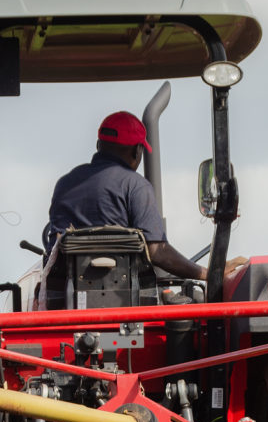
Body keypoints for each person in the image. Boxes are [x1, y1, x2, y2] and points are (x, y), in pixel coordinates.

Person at [45, 111, 247, 290]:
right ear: (137, 151)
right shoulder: (135, 185)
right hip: (125, 301)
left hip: (64, 300)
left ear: (99, 145)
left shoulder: (64, 184)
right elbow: (158, 252)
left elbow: (54, 247)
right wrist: (209, 273)